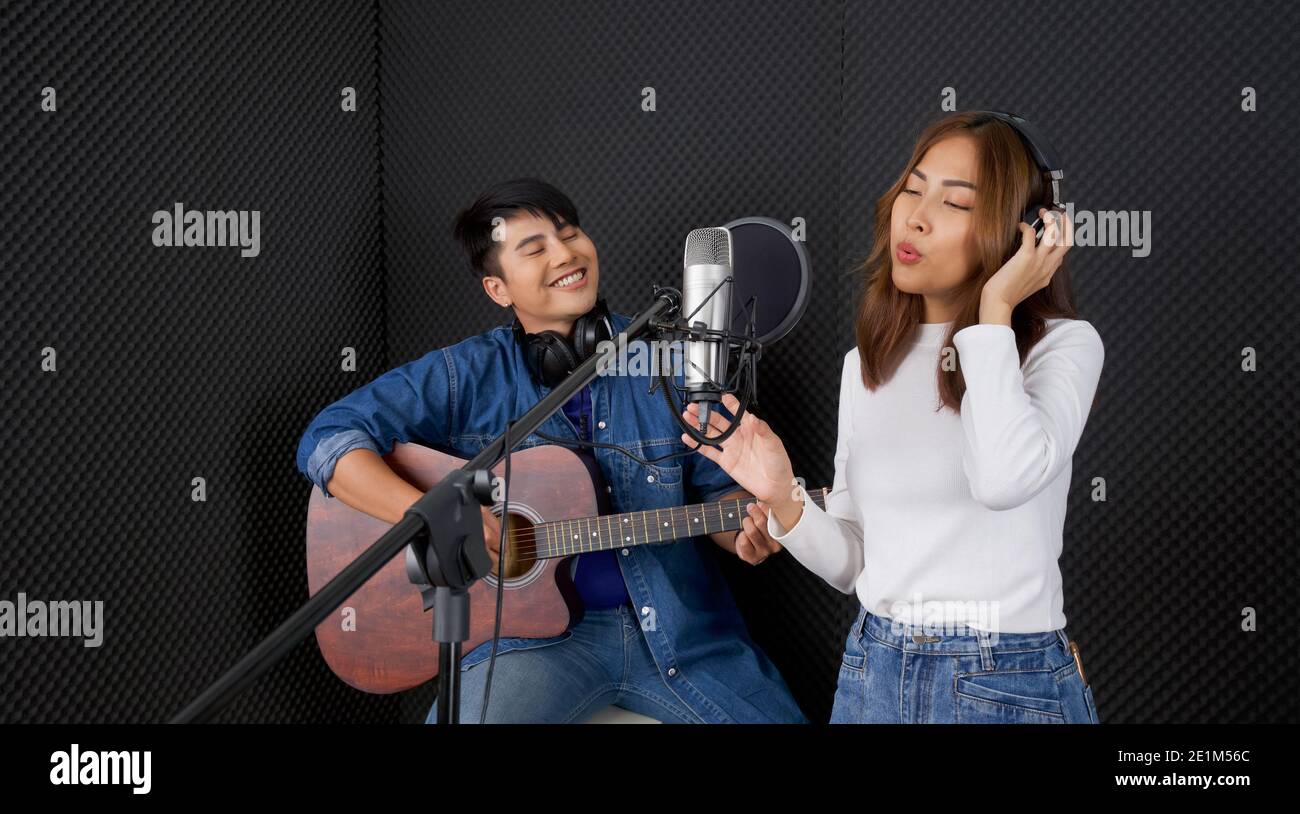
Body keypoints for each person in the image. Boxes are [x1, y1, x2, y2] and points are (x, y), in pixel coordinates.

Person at [296, 177, 806, 724]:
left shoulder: (672, 359)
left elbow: (718, 493)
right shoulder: (468, 374)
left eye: (570, 234)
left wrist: (747, 532)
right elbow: (327, 438)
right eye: (535, 248)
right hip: (528, 644)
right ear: (499, 289)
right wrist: (428, 514)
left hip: (682, 639)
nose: (566, 254)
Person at [681, 111, 1104, 723]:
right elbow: (855, 563)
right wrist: (783, 496)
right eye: (913, 187)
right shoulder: (866, 364)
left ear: (1025, 235)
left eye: (956, 203)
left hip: (1005, 679)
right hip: (872, 670)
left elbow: (1003, 480)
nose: (917, 216)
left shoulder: (1061, 346)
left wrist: (995, 309)